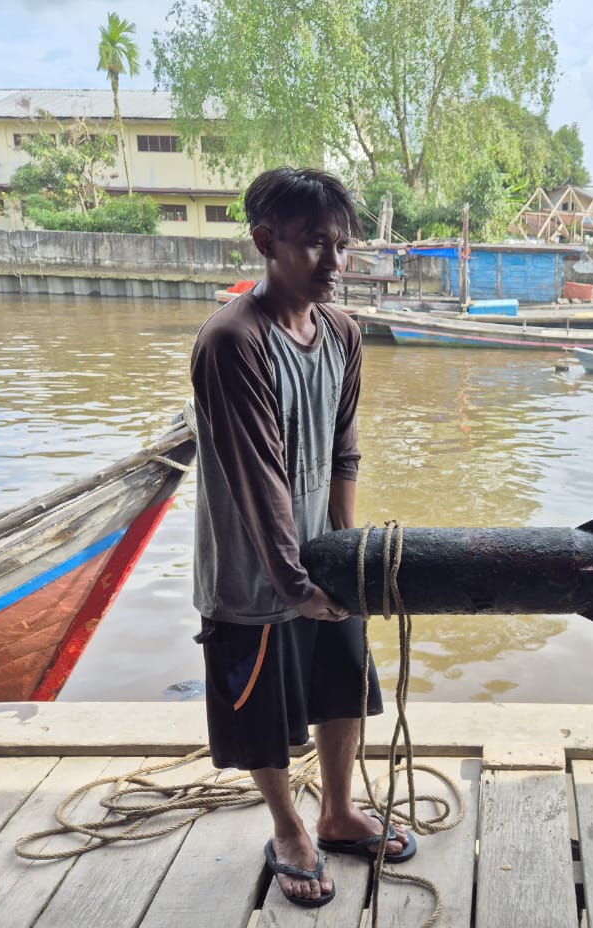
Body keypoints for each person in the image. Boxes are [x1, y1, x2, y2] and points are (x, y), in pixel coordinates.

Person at [189, 167, 415, 909]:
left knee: (340, 685)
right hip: (252, 575)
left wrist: (345, 556)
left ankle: (339, 810)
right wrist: (292, 581)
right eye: (314, 242)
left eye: (341, 245)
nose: (333, 262)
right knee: (262, 713)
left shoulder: (343, 334)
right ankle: (288, 827)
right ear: (265, 241)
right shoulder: (232, 341)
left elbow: (344, 448)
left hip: (321, 557)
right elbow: (258, 476)